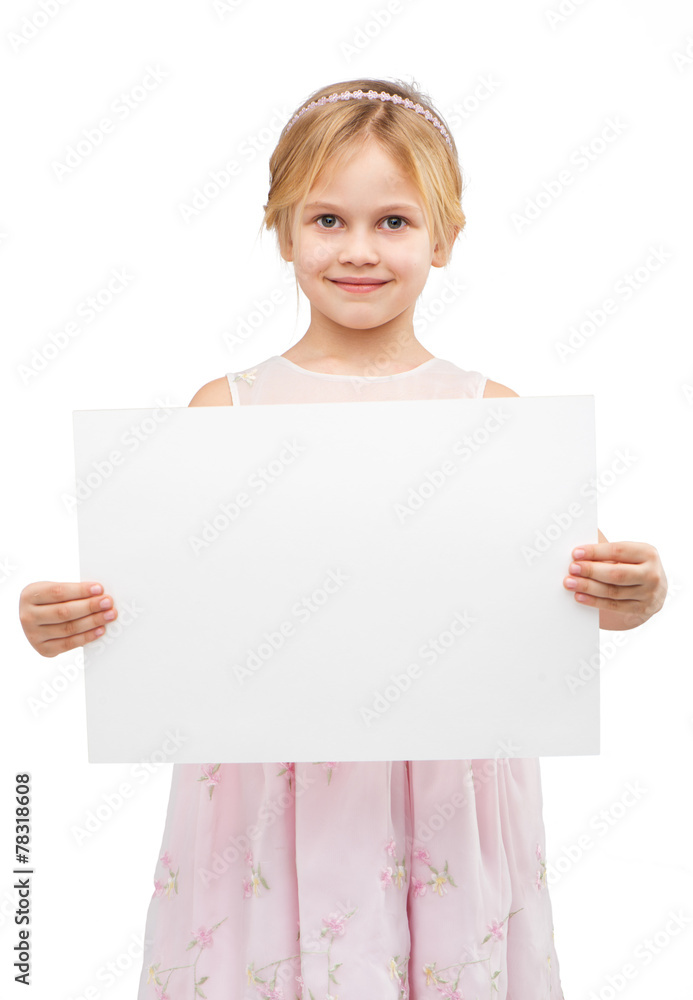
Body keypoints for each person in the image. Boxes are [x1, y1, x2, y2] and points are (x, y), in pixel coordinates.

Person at [18, 77, 667, 999]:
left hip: (444, 794)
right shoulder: (223, 410)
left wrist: (635, 592)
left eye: (393, 222)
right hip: (262, 797)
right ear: (282, 232)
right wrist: (60, 619)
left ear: (444, 238)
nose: (358, 249)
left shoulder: (493, 417)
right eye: (327, 219)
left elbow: (571, 598)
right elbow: (158, 607)